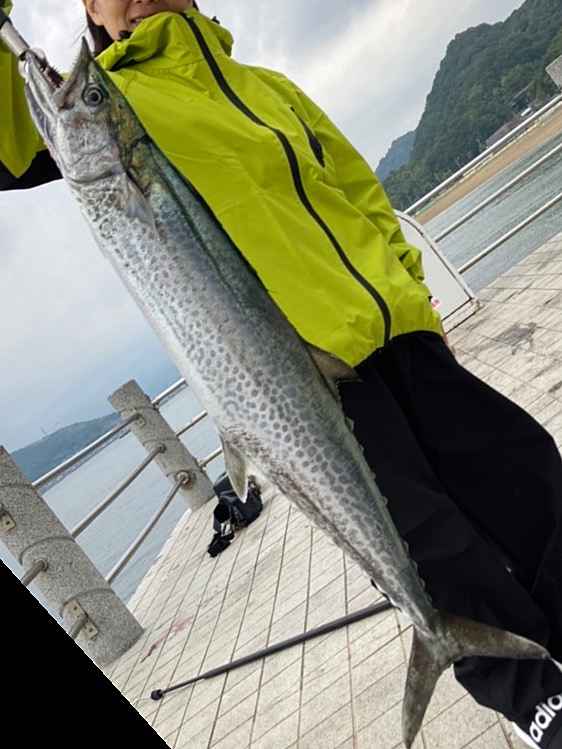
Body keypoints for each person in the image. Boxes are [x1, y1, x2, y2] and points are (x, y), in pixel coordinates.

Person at [2, 2, 562, 746]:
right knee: (438, 555)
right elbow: (13, 138)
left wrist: (408, 289)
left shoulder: (266, 86)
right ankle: (542, 707)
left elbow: (358, 193)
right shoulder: (112, 105)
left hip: (402, 340)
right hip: (312, 389)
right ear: (90, 12)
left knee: (531, 477)